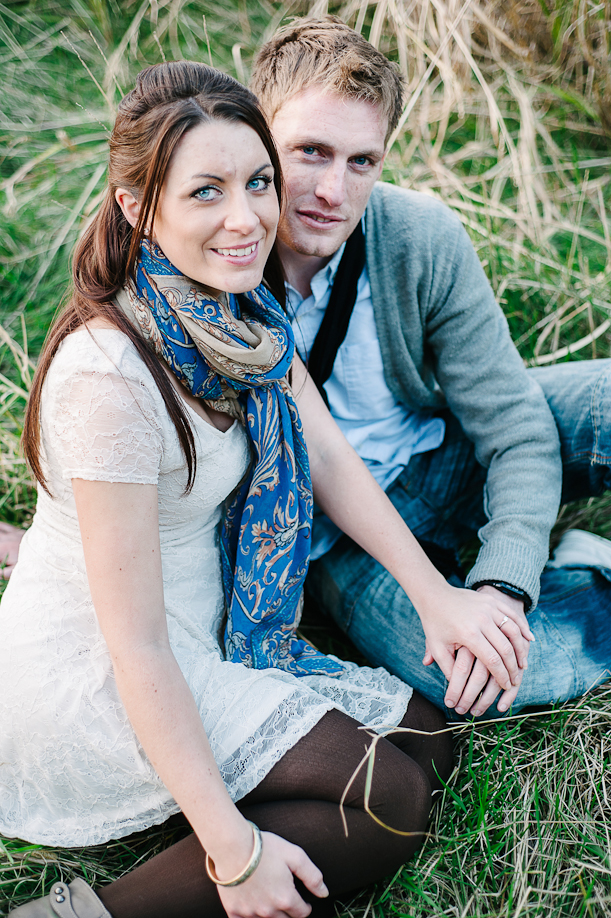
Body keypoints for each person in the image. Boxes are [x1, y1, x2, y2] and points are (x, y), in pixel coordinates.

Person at [1, 61, 465, 918]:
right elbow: (135, 645)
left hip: (207, 622)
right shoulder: (109, 374)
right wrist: (234, 848)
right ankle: (93, 910)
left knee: (426, 741)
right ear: (139, 208)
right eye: (206, 192)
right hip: (103, 668)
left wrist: (435, 596)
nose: (248, 218)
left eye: (257, 182)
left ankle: (238, 800)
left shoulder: (242, 316)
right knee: (387, 802)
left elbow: (325, 454)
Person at [247, 16, 611, 720]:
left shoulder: (417, 235)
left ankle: (525, 555)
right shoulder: (213, 259)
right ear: (256, 136)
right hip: (343, 543)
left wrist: (503, 583)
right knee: (503, 678)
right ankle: (584, 570)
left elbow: (514, 430)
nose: (333, 190)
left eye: (362, 161)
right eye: (310, 152)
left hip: (441, 455)